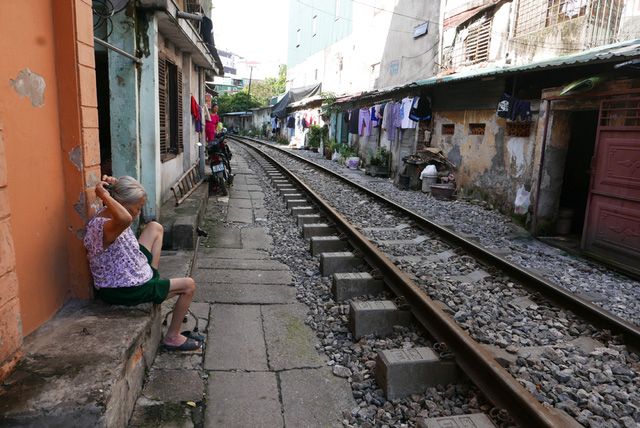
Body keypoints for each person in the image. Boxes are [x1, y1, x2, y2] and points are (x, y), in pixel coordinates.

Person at [84, 175, 202, 351]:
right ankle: (173, 337)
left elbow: (124, 211)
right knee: (188, 285)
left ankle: (151, 281)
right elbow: (125, 219)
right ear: (122, 204)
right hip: (122, 289)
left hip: (127, 268)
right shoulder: (109, 226)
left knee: (155, 227)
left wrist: (114, 187)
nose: (138, 213)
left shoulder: (107, 213)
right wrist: (104, 195)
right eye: (136, 208)